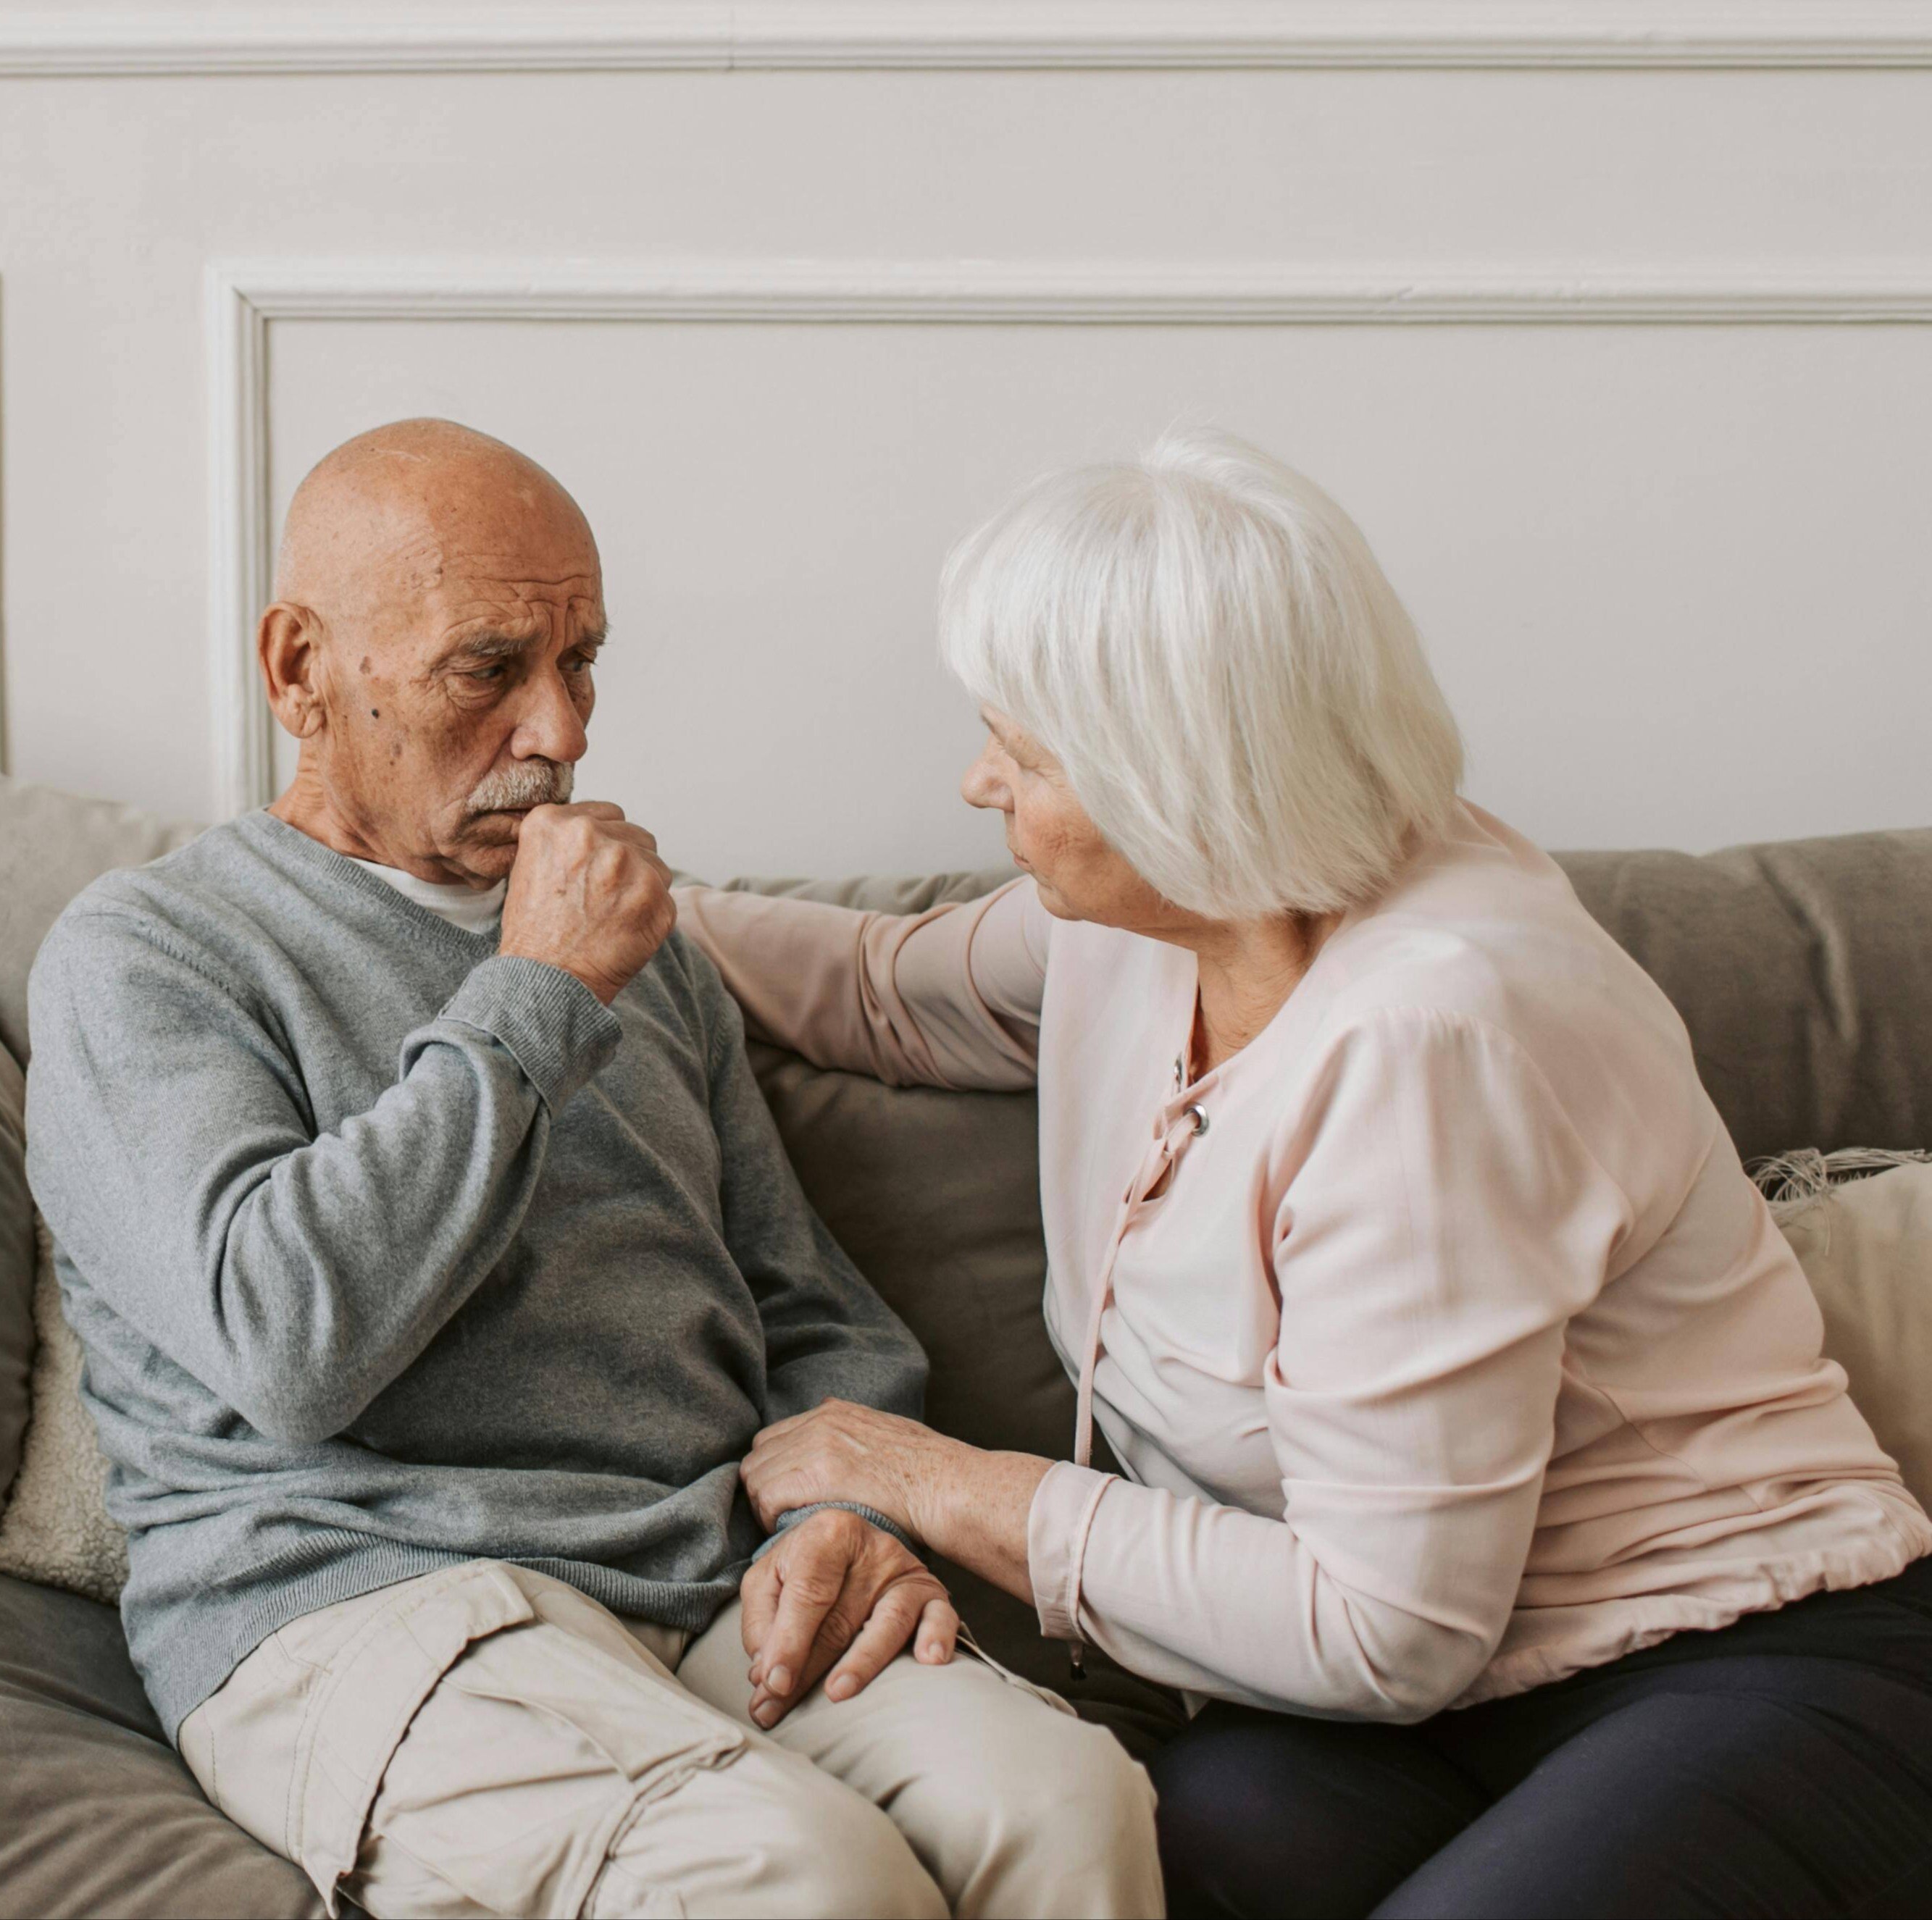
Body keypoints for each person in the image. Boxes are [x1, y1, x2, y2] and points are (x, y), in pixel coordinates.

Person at [676, 428, 1932, 1918]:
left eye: (1023, 750)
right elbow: (882, 991)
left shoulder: (1433, 1031)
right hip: (1413, 1718)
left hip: (1733, 1657)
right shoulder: (1156, 921)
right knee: (1138, 1857)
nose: (975, 778)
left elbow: (1383, 1627)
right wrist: (574, 900)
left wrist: (925, 1477)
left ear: (1173, 776)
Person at [25, 419, 1159, 1920]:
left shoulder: (646, 949)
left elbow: (806, 1306)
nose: (559, 731)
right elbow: (287, 1343)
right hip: (360, 1605)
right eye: (488, 667)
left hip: (701, 1572)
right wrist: (539, 990)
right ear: (300, 668)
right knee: (799, 1876)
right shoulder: (150, 953)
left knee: (1067, 1801)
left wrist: (845, 1515)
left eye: (584, 663)